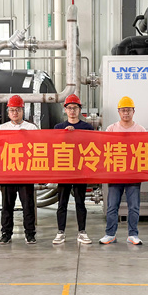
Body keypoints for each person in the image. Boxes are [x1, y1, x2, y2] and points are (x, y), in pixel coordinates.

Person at [100, 96, 147, 245]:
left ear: (134, 111)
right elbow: (104, 149)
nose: (126, 113)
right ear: (119, 112)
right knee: (112, 206)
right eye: (123, 110)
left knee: (134, 207)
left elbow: (146, 151)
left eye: (128, 110)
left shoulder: (140, 130)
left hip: (134, 175)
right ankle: (110, 234)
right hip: (115, 175)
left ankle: (133, 234)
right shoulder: (111, 129)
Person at [52, 94, 93, 245]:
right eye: (69, 108)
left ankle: (82, 231)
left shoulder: (87, 128)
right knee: (62, 202)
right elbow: (53, 146)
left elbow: (92, 146)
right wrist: (64, 135)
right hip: (64, 169)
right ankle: (60, 232)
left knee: (80, 202)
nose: (72, 111)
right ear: (65, 110)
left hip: (80, 170)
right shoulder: (58, 128)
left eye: (75, 108)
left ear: (79, 110)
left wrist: (77, 135)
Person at [0, 95, 38, 244]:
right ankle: (6, 233)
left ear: (23, 110)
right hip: (8, 173)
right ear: (8, 112)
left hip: (25, 173)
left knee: (28, 204)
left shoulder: (31, 128)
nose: (14, 113)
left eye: (17, 110)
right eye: (12, 110)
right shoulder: (2, 128)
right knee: (7, 205)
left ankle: (30, 233)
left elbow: (38, 147)